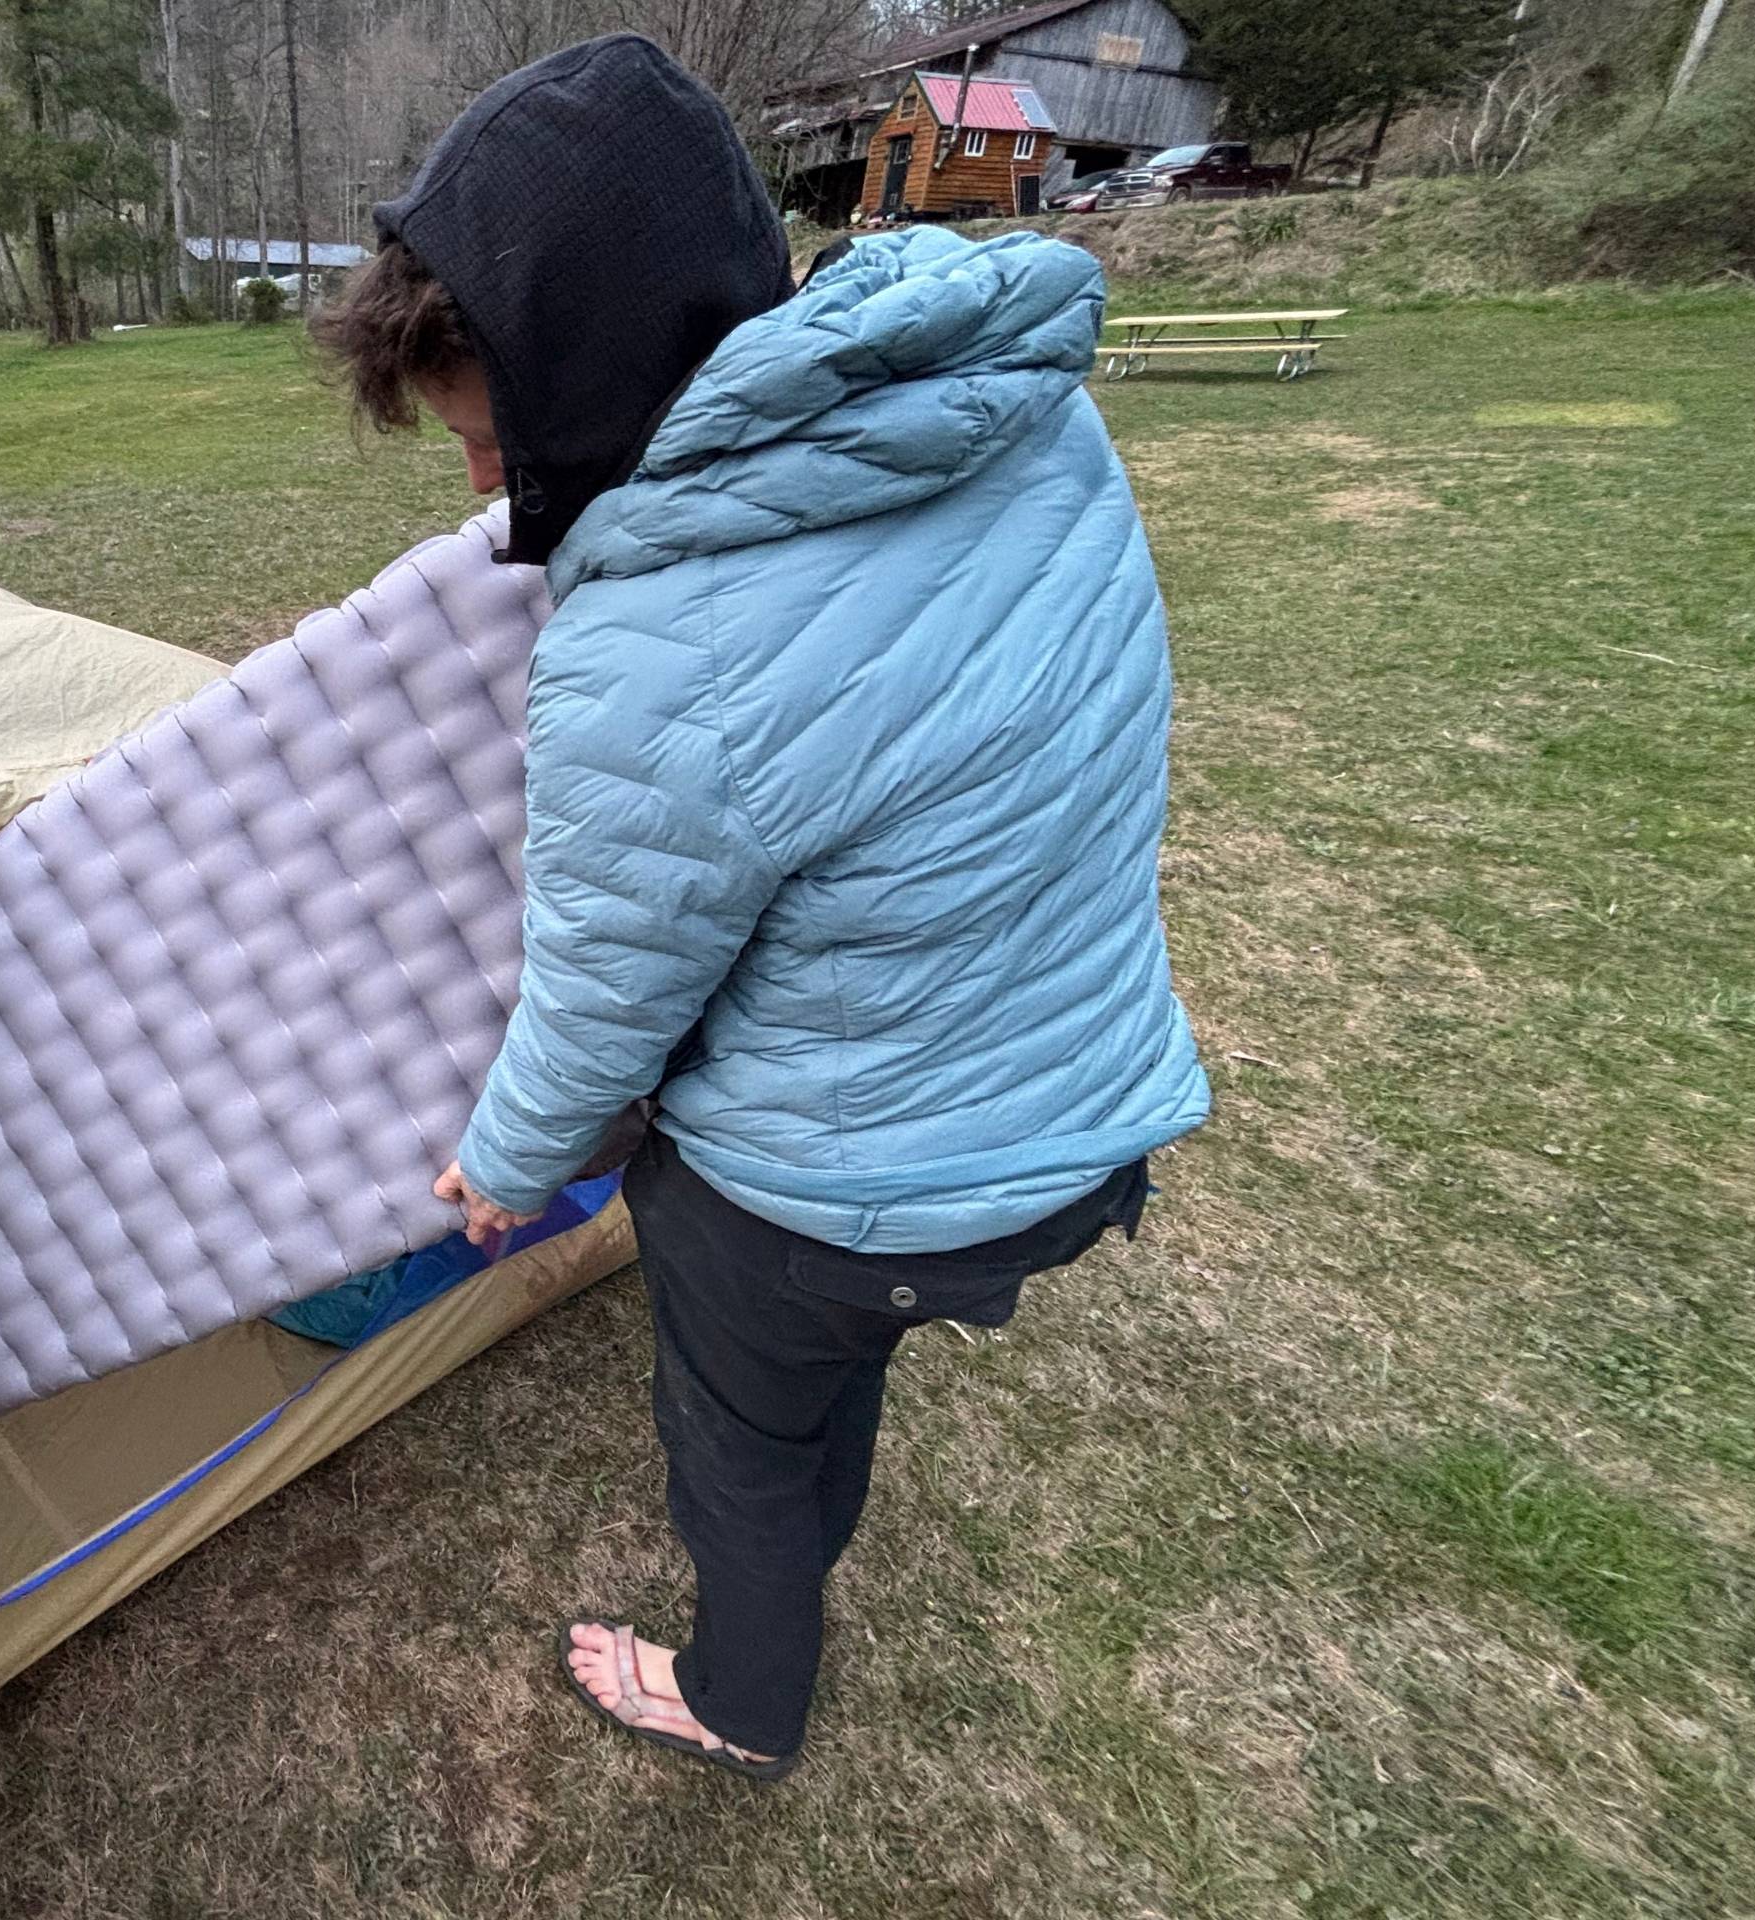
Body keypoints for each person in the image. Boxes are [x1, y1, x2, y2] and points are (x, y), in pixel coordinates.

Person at [311, 35, 1210, 1779]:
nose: (485, 488)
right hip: (1072, 1103)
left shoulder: (659, 654)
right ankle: (813, 1504)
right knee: (827, 1370)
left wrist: (504, 1169)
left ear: (598, 379)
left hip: (839, 1192)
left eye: (495, 439)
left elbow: (606, 999)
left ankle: (738, 1698)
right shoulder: (1016, 415)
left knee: (737, 1439)